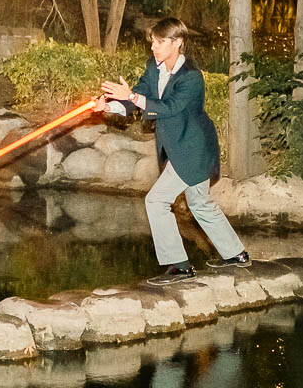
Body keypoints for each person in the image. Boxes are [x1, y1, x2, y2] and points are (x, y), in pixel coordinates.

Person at [101, 16, 250, 284]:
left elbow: (167, 107)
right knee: (200, 203)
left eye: (160, 42)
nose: (154, 48)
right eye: (153, 42)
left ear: (177, 42)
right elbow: (140, 97)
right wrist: (110, 106)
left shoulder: (191, 78)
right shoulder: (154, 67)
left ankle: (179, 266)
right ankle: (236, 254)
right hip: (181, 147)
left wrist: (132, 97)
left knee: (156, 200)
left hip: (193, 149)